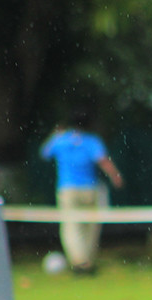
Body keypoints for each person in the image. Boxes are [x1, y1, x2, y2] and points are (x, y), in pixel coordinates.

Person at [40, 109, 124, 275]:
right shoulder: (92, 141)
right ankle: (87, 262)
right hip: (89, 188)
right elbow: (103, 161)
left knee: (71, 226)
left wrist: (55, 134)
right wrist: (115, 176)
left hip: (67, 189)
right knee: (90, 226)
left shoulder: (61, 140)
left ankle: (79, 261)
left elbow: (45, 153)